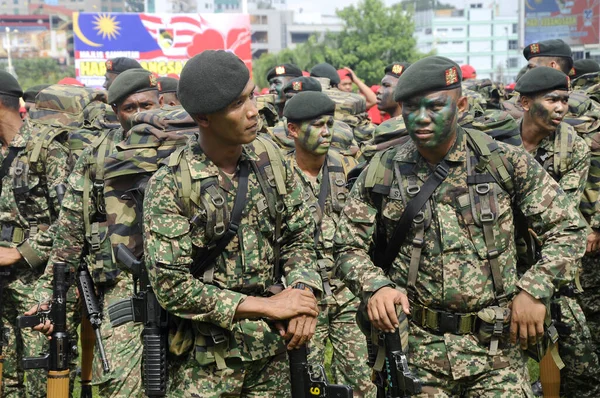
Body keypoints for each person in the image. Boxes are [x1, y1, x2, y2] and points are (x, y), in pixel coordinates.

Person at [334, 56, 587, 396]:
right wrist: (376, 286)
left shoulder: (502, 162)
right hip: (417, 353)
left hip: (495, 353)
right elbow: (346, 245)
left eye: (435, 107)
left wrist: (534, 290)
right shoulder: (383, 169)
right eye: (410, 108)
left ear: (462, 105)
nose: (421, 118)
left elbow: (569, 228)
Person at [143, 50, 322, 396]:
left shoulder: (271, 161)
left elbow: (301, 235)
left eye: (252, 95)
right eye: (238, 104)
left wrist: (300, 293)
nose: (254, 111)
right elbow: (172, 286)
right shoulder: (172, 185)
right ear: (204, 118)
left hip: (273, 357)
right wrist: (268, 306)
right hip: (205, 367)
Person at [27, 68, 162, 397]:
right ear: (116, 112)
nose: (142, 114)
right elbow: (68, 240)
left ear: (161, 101)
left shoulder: (189, 148)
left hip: (188, 280)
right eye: (131, 108)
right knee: (119, 384)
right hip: (124, 284)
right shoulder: (96, 159)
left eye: (147, 105)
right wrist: (48, 299)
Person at [283, 91, 375, 396]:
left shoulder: (349, 169)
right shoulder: (277, 176)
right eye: (316, 125)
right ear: (292, 130)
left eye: (329, 123)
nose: (326, 131)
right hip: (305, 295)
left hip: (347, 291)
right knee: (307, 381)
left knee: (363, 380)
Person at [516, 66, 600, 396]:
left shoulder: (572, 147)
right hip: (495, 266)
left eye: (564, 100)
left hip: (549, 267)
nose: (561, 108)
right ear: (524, 103)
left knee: (583, 368)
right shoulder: (494, 141)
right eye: (552, 100)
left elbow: (559, 216)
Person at [0, 71, 71, 397]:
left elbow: (71, 221)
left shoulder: (46, 148)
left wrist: (21, 252)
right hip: (3, 285)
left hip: (36, 284)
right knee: (7, 375)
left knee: (39, 377)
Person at [311, 62, 376, 144]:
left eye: (350, 84)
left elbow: (373, 101)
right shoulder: (354, 102)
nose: (348, 87)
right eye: (344, 84)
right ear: (337, 84)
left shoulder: (305, 99)